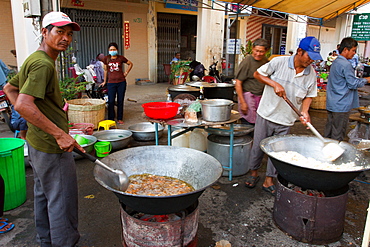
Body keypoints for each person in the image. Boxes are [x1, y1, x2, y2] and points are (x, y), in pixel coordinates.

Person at [3, 11, 84, 246]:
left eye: (69, 34)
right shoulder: (43, 65)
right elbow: (23, 104)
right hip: (52, 147)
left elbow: (10, 89)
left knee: (44, 196)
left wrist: (39, 121)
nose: (65, 39)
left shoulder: (35, 58)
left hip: (38, 143)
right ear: (45, 32)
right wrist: (59, 134)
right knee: (62, 202)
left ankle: (46, 241)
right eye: (59, 32)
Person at [245, 36, 322, 196]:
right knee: (258, 146)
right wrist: (275, 84)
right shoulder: (278, 62)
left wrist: (305, 111)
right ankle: (253, 174)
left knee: (278, 153)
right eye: (309, 57)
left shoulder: (311, 74)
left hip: (286, 120)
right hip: (266, 114)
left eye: (314, 58)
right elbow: (258, 74)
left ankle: (269, 180)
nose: (311, 61)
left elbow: (309, 95)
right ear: (300, 51)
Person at [324, 37, 370, 141]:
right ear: (345, 49)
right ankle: (335, 154)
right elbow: (353, 83)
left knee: (329, 131)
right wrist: (366, 80)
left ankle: (325, 153)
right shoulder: (345, 64)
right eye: (353, 50)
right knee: (338, 134)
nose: (354, 53)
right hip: (341, 104)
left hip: (333, 103)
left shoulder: (336, 62)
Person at [235, 38, 270, 125]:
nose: (258, 54)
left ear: (266, 51)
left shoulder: (266, 62)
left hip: (261, 97)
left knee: (259, 124)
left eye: (261, 51)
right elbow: (238, 83)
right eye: (256, 50)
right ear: (252, 49)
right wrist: (243, 102)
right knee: (247, 124)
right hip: (248, 97)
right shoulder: (247, 61)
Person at [101, 42, 133, 124]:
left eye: (114, 49)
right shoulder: (106, 59)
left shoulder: (121, 58)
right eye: (111, 49)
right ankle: (111, 118)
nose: (112, 51)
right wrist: (104, 81)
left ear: (117, 50)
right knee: (111, 101)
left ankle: (120, 118)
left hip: (121, 82)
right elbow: (105, 70)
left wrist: (126, 73)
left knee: (120, 100)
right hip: (111, 83)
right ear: (108, 50)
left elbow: (130, 64)